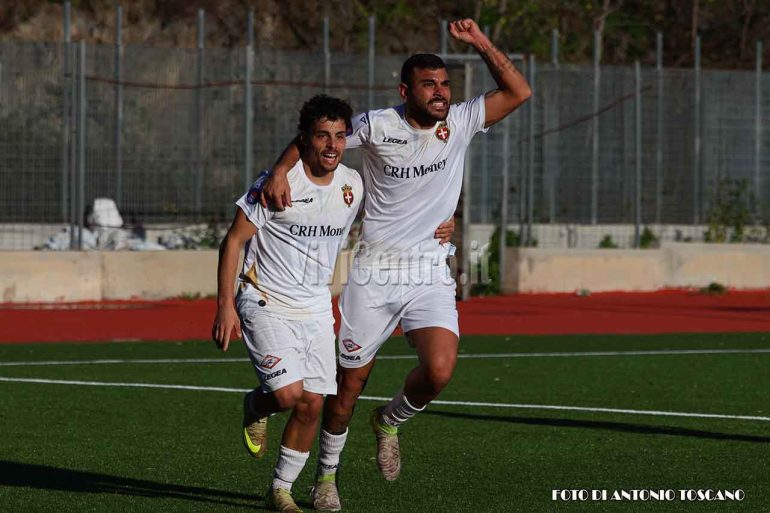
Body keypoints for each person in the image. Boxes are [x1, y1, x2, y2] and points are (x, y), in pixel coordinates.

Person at [262, 19, 531, 511]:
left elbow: (519, 91)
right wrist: (281, 170)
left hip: (429, 270)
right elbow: (319, 140)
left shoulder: (461, 121)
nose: (440, 92)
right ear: (406, 91)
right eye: (429, 85)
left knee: (440, 369)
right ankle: (326, 478)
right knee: (347, 388)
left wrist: (480, 42)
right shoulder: (376, 125)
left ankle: (389, 421)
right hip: (375, 273)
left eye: (445, 83)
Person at [212, 95, 364, 513]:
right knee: (287, 395)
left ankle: (280, 489)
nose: (332, 145)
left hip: (315, 307)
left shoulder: (352, 185)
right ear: (304, 138)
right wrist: (225, 306)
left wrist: (440, 223)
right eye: (322, 135)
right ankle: (257, 403)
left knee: (312, 403)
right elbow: (233, 241)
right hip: (264, 299)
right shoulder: (276, 184)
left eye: (340, 136)